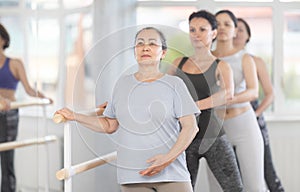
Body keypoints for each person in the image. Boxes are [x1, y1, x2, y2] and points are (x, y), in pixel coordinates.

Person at [55, 27, 200, 192]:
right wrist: (75, 116)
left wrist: (167, 159)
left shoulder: (175, 84)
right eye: (140, 44)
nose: (145, 47)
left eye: (152, 44)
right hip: (132, 175)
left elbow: (191, 127)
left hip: (172, 173)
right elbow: (110, 125)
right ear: (135, 51)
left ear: (163, 53)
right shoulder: (122, 84)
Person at [169, 10, 243, 191]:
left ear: (214, 33)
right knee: (184, 189)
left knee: (234, 188)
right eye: (192, 29)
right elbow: (161, 90)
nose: (196, 34)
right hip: (184, 138)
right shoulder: (178, 63)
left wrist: (192, 106)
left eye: (202, 29)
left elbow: (227, 94)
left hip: (213, 136)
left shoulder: (221, 66)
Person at [212, 10, 266, 192]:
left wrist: (227, 98)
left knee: (254, 186)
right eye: (217, 24)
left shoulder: (244, 58)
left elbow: (253, 91)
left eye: (227, 24)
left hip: (244, 126)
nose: (222, 28)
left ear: (235, 30)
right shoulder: (206, 59)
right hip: (217, 130)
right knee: (219, 188)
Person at [233, 17, 285, 192]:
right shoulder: (220, 61)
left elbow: (270, 94)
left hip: (252, 117)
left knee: (267, 172)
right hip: (230, 122)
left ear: (248, 36)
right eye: (235, 28)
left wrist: (254, 115)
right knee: (237, 175)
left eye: (241, 29)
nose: (237, 33)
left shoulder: (255, 61)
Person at [0, 23, 52, 192]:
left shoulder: (14, 63)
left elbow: (29, 89)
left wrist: (44, 97)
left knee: (7, 158)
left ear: (3, 40)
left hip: (8, 115)